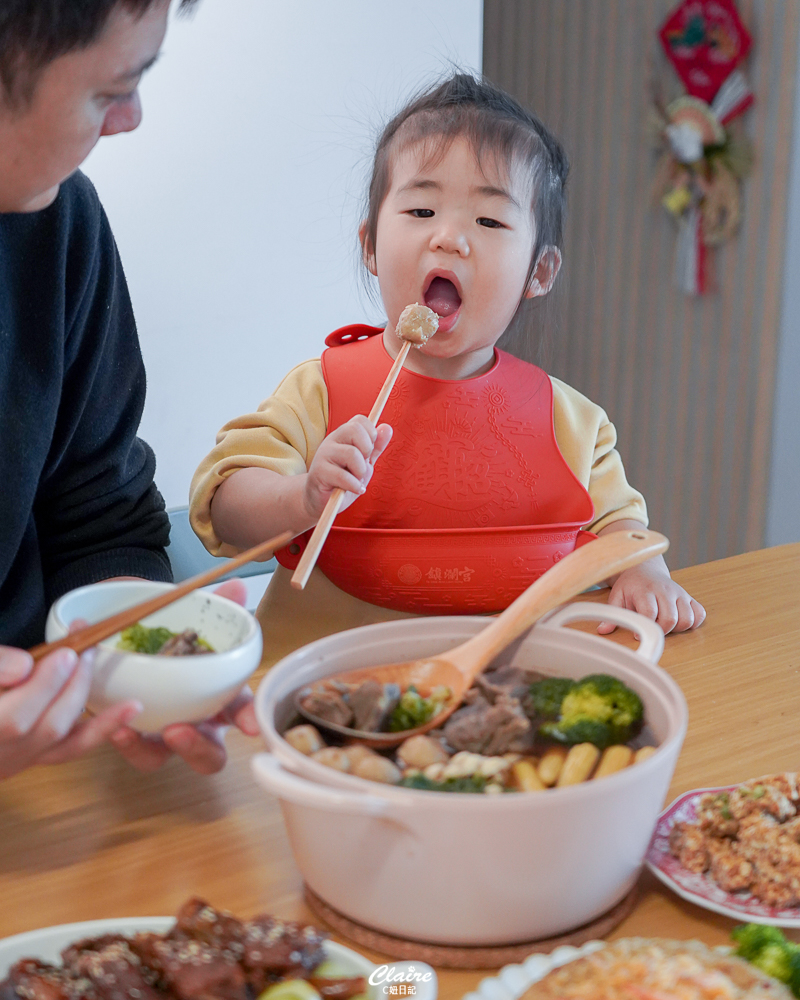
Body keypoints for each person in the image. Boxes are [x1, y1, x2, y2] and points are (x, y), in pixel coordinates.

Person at [189, 73, 706, 666]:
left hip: (507, 688)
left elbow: (621, 526)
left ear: (539, 273)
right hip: (322, 685)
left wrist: (644, 571)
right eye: (421, 208)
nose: (450, 237)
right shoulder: (320, 391)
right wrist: (300, 497)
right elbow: (225, 502)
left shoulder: (573, 422)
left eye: (489, 221)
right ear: (371, 248)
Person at [0, 0, 258, 779]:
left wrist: (151, 657)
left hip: (44, 769)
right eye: (111, 90)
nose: (130, 119)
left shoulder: (59, 223)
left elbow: (99, 514)